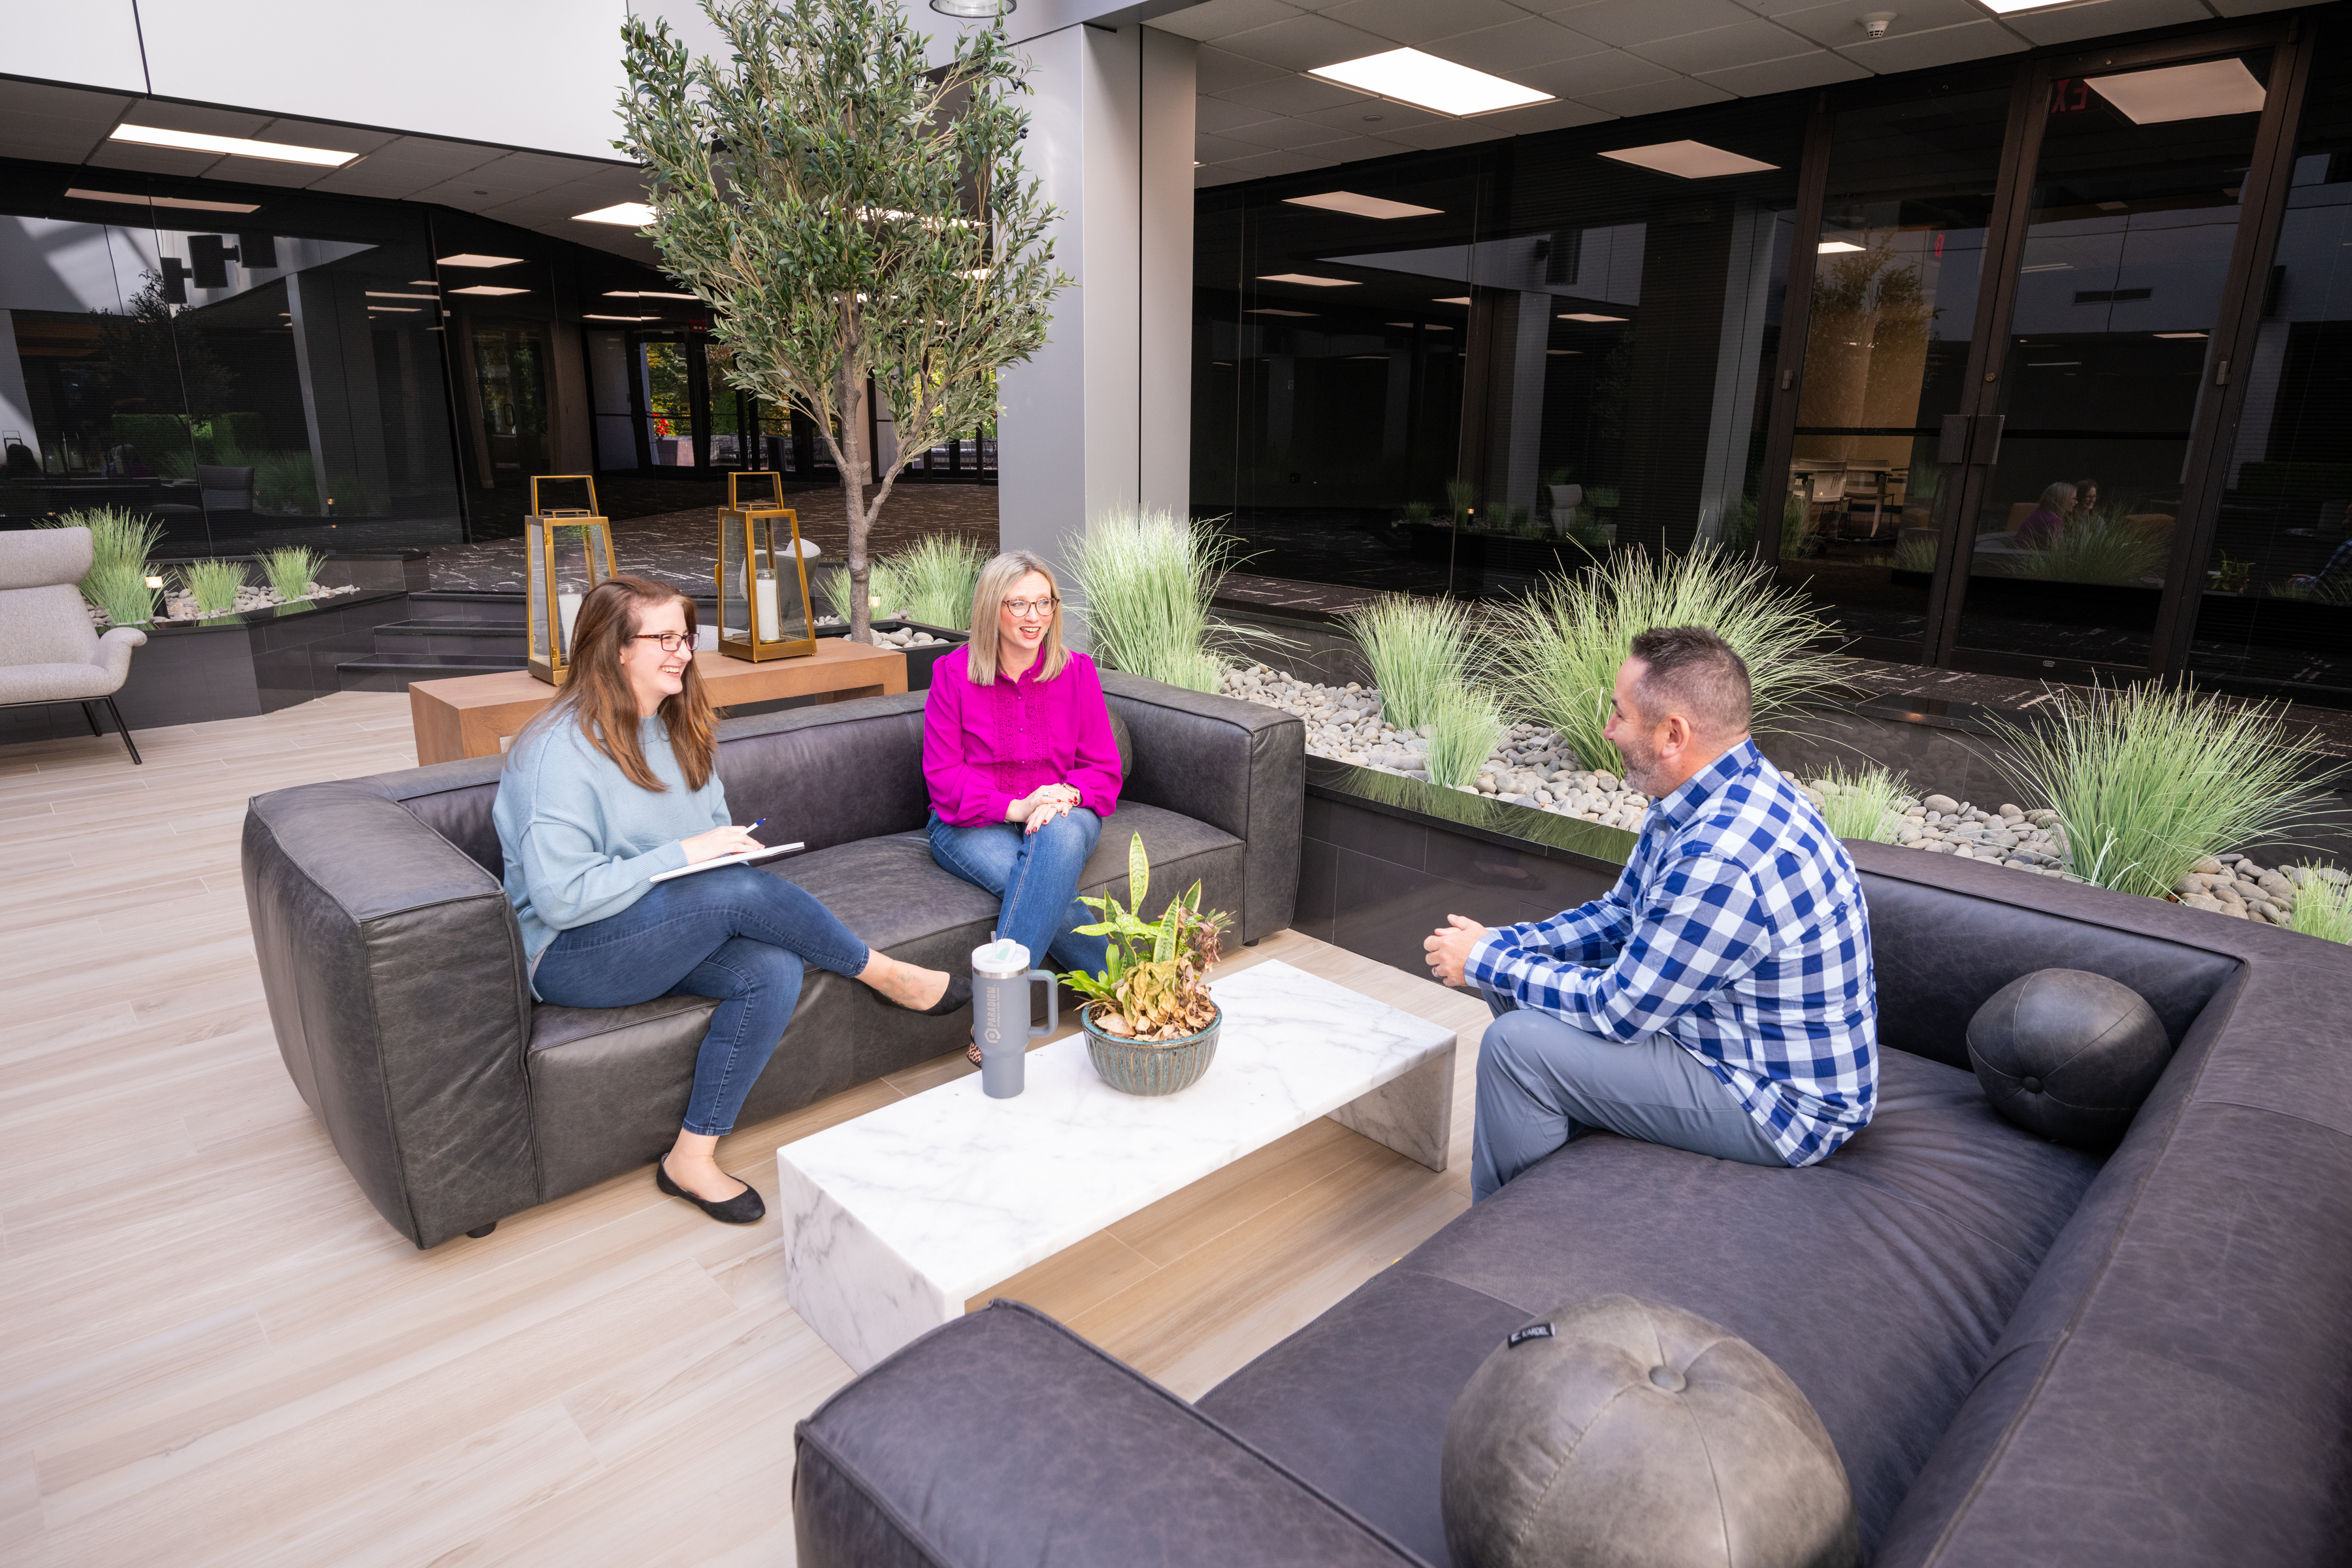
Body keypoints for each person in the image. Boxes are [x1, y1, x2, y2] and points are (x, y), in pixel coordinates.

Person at [497, 575, 963, 1225]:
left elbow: (709, 833)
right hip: (572, 952)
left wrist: (724, 848)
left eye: (685, 636)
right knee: (733, 891)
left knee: (772, 967)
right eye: (662, 638)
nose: (682, 651)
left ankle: (690, 1156)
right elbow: (561, 899)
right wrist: (688, 857)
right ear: (614, 648)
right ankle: (887, 974)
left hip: (661, 927)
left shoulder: (681, 728)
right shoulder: (558, 754)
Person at [1421, 625, 1878, 1202]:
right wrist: (1508, 943)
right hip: (1716, 1032)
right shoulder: (1698, 795)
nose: (1607, 729)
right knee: (1514, 979)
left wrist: (1488, 960)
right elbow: (1621, 916)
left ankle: (1508, 1239)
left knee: (1518, 1046)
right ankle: (1565, 1170)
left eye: (1619, 714)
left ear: (1672, 733)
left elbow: (1620, 1011)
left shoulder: (1724, 856)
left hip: (1776, 1102)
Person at [924, 551, 1123, 1065]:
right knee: (1044, 882)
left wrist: (1062, 795)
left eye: (1044, 603)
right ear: (993, 608)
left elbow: (1103, 769)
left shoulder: (1077, 673)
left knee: (1053, 842)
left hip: (1062, 812)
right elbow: (945, 780)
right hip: (973, 822)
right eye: (1019, 604)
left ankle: (998, 1020)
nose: (1034, 617)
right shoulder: (951, 675)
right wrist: (1018, 807)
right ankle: (1133, 988)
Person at [2016, 482, 2076, 549]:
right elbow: (2054, 552)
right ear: (2063, 499)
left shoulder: (2040, 514)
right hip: (2028, 557)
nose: (2076, 502)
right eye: (2074, 499)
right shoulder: (2052, 520)